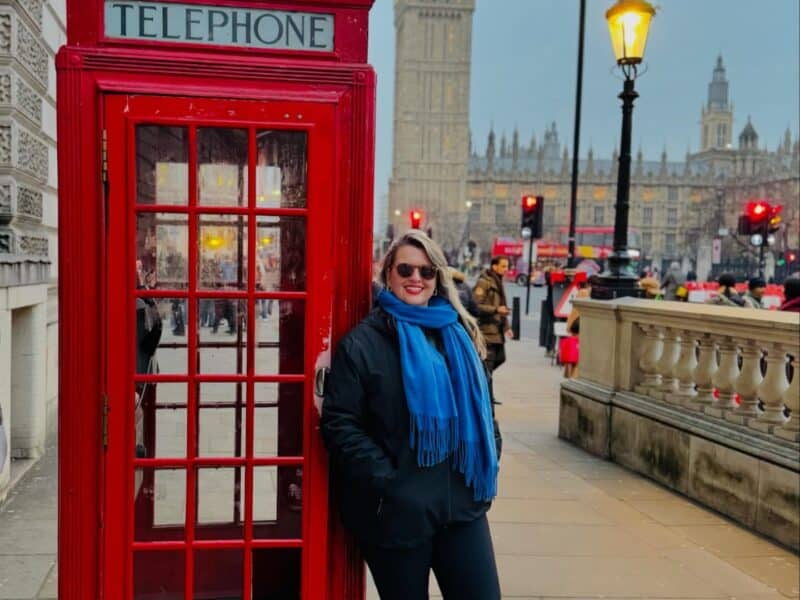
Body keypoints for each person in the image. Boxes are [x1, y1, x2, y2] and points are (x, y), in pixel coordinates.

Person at [321, 231, 501, 600]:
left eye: (426, 271)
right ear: (388, 273)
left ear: (437, 278)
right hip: (398, 515)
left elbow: (485, 404)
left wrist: (492, 451)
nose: (416, 278)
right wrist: (391, 483)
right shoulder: (362, 344)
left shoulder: (459, 335)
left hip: (461, 507)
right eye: (405, 269)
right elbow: (340, 424)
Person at [473, 256, 513, 405]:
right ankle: (487, 398)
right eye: (503, 266)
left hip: (497, 332)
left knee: (500, 358)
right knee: (487, 366)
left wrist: (507, 327)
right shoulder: (485, 282)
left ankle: (484, 390)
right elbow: (476, 306)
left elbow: (501, 306)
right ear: (494, 266)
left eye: (507, 266)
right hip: (487, 332)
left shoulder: (498, 282)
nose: (506, 269)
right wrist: (496, 310)